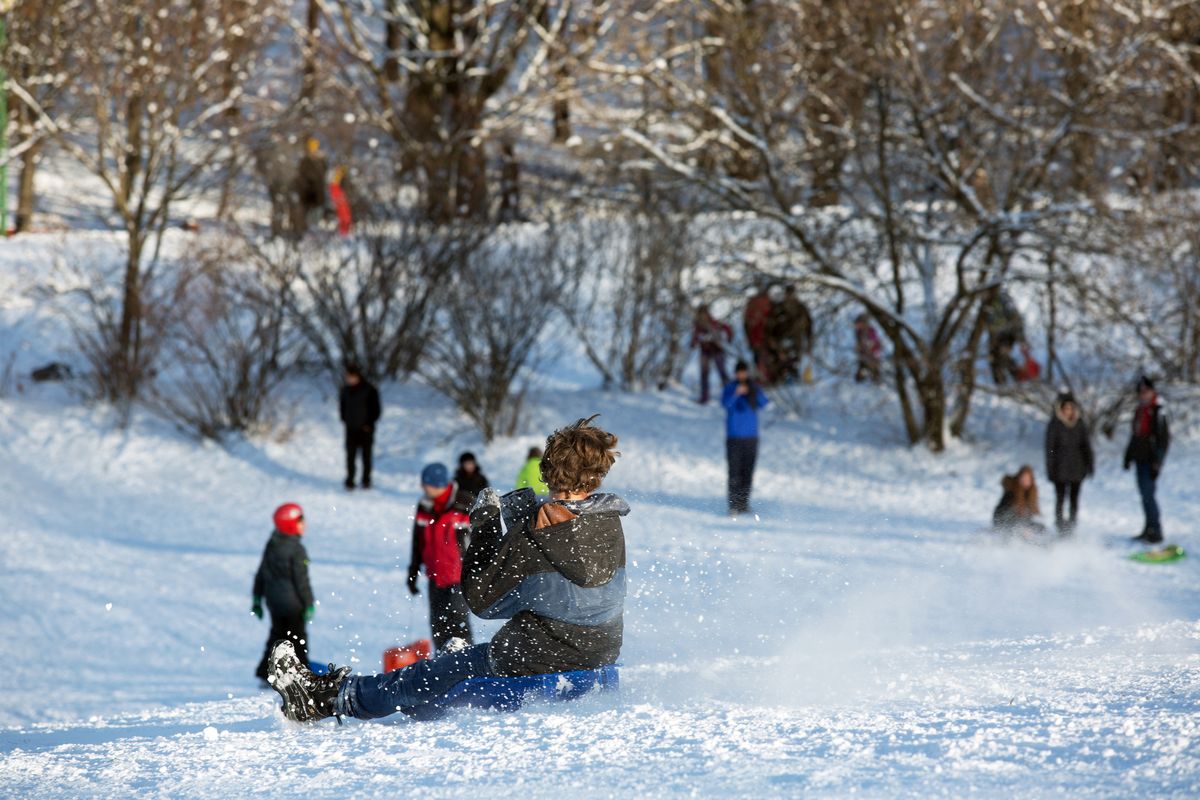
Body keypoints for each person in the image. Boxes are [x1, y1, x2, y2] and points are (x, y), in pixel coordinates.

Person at [266, 416, 628, 723]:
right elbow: (566, 586)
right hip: (598, 653)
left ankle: (326, 698)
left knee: (428, 675)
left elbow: (483, 602)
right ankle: (453, 659)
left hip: (537, 660)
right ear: (596, 474)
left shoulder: (534, 535)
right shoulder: (609, 523)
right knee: (456, 665)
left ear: (548, 471)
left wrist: (485, 528)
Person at [407, 463, 474, 653]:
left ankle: (467, 668)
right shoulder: (424, 506)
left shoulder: (464, 503)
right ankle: (442, 670)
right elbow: (417, 541)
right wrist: (413, 570)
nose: (424, 488)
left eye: (427, 484)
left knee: (458, 625)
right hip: (435, 577)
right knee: (438, 626)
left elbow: (481, 541)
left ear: (438, 484)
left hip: (459, 577)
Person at [252, 503, 315, 682]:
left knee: (278, 635)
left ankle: (265, 671)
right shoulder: (297, 550)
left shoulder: (272, 544)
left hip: (274, 603)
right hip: (293, 604)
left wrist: (257, 598)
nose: (304, 525)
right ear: (290, 525)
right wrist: (309, 603)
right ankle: (303, 673)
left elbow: (261, 573)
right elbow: (302, 581)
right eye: (300, 522)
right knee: (297, 638)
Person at [1124, 376, 1170, 544]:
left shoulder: (1158, 411)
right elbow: (1135, 436)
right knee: (1144, 495)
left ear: (1152, 392)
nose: (1143, 395)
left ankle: (1156, 529)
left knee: (1149, 495)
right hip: (1139, 458)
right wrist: (1128, 456)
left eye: (1146, 391)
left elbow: (1163, 439)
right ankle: (1148, 527)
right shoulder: (1139, 410)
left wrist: (1158, 462)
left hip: (1150, 460)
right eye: (1140, 392)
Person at [722, 361, 769, 517]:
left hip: (751, 438)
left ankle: (743, 503)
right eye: (738, 372)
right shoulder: (730, 388)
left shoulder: (754, 388)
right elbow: (725, 403)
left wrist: (751, 392)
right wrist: (736, 394)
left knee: (747, 472)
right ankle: (733, 505)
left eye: (743, 372)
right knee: (734, 473)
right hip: (734, 437)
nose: (741, 375)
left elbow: (764, 403)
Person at [1044, 391, 1094, 534]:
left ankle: (1072, 525)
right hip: (1059, 468)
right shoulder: (1055, 424)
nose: (1068, 411)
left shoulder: (1079, 424)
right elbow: (1050, 448)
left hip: (1077, 467)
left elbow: (1085, 446)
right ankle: (1060, 525)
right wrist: (1051, 466)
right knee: (1060, 499)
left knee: (1074, 499)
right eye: (1065, 408)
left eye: (1071, 408)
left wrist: (1089, 463)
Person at [339, 365, 381, 490]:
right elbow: (342, 407)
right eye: (347, 377)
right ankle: (350, 479)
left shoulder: (369, 389)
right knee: (350, 456)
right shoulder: (345, 390)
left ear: (357, 376)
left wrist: (369, 424)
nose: (348, 379)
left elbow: (376, 409)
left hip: (366, 430)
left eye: (351, 377)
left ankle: (366, 480)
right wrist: (344, 419)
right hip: (350, 429)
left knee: (366, 456)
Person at [768, 285, 813, 384]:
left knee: (795, 361)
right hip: (782, 341)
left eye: (792, 294)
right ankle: (784, 379)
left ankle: (794, 379)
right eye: (788, 294)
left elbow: (808, 325)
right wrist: (774, 342)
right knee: (783, 361)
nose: (790, 296)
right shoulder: (779, 308)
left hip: (797, 340)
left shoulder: (801, 308)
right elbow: (771, 328)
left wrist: (809, 341)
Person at [689, 305, 733, 404]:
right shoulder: (698, 326)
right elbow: (695, 337)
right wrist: (693, 343)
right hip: (705, 351)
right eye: (700, 314)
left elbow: (727, 328)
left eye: (703, 314)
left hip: (717, 350)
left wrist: (728, 339)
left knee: (722, 373)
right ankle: (705, 397)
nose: (701, 316)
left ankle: (730, 394)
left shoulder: (714, 323)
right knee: (704, 374)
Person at [984, 290, 1025, 385]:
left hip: (1007, 334)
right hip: (995, 335)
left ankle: (1016, 378)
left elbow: (1016, 318)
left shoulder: (1003, 299)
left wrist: (1021, 337)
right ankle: (1001, 383)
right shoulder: (987, 301)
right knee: (994, 357)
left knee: (1002, 356)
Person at [992, 465, 1046, 537]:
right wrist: (1021, 527)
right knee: (1021, 530)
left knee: (1040, 528)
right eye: (1023, 478)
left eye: (1028, 479)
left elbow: (1027, 515)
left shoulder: (1030, 493)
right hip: (1005, 522)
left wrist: (1028, 527)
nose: (1025, 481)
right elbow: (1006, 514)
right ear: (1019, 478)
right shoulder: (1012, 492)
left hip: (1019, 521)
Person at [294, 137, 328, 236]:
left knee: (316, 222)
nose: (314, 151)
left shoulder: (321, 161)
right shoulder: (305, 161)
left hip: (318, 197)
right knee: (307, 222)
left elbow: (323, 176)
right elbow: (302, 177)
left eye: (316, 148)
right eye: (312, 148)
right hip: (307, 197)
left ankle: (314, 238)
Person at [744, 286, 774, 384]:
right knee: (760, 358)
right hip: (759, 339)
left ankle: (764, 378)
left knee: (761, 359)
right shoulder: (761, 305)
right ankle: (763, 379)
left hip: (760, 339)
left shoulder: (756, 306)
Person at [853, 314, 883, 383]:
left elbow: (874, 341)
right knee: (862, 364)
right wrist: (858, 347)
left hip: (872, 352)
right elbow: (859, 342)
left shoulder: (870, 330)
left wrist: (870, 346)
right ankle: (861, 377)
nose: (857, 326)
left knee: (873, 365)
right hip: (864, 352)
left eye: (858, 324)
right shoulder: (858, 332)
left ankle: (876, 378)